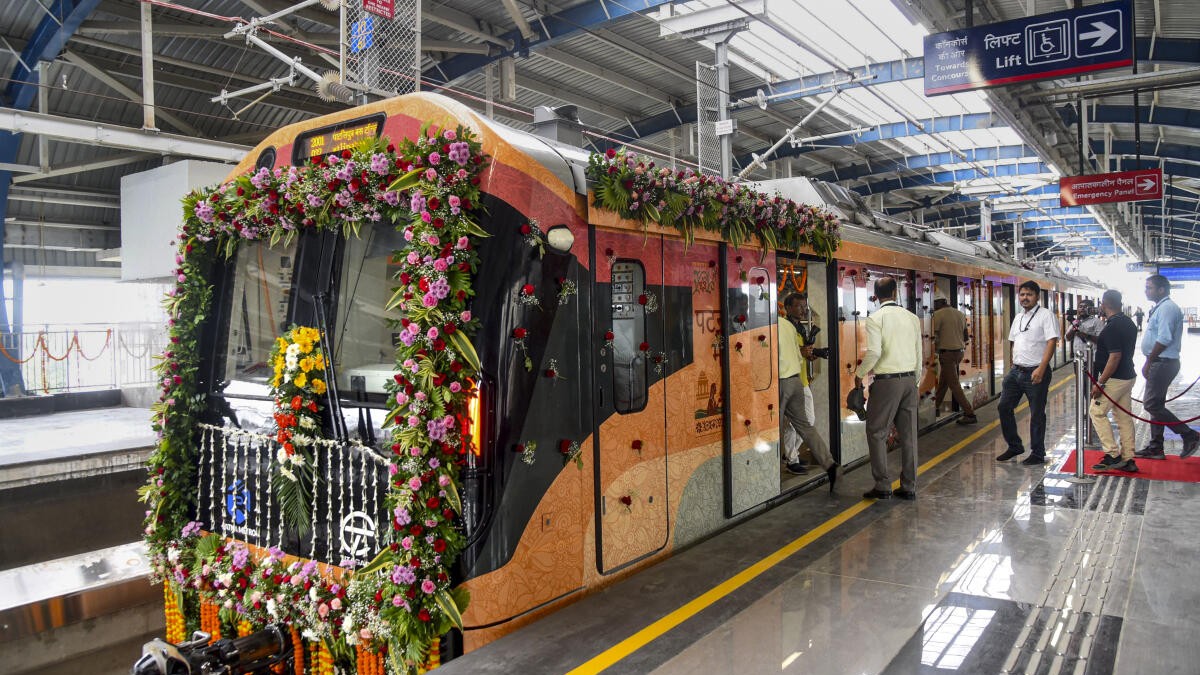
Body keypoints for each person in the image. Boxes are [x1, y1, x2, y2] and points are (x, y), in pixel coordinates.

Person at [855, 277, 923, 500]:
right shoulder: (912, 318)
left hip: (887, 382)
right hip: (909, 380)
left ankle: (883, 485)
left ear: (876, 294)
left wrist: (859, 374)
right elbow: (919, 353)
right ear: (895, 292)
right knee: (909, 435)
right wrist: (916, 380)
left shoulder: (875, 319)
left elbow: (874, 352)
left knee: (877, 432)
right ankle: (909, 486)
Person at [1135, 275, 1200, 459]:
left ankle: (1190, 435)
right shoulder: (1161, 308)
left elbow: (1164, 339)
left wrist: (1149, 360)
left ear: (1161, 289)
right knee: (1157, 404)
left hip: (1163, 362)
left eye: (1149, 287)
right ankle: (1156, 447)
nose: (1146, 291)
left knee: (1151, 404)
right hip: (1160, 362)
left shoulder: (1168, 309)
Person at [778, 292, 838, 490]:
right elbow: (797, 354)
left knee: (775, 428)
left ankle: (776, 464)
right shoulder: (788, 326)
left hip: (783, 382)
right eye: (799, 306)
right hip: (796, 380)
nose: (804, 310)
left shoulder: (774, 327)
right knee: (806, 425)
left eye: (805, 306)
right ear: (785, 308)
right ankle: (829, 464)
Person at [996, 280, 1060, 465]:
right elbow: (1013, 342)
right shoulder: (1018, 317)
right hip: (1016, 372)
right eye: (1022, 294)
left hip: (1036, 371)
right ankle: (1015, 445)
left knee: (1037, 413)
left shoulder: (1046, 315)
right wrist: (1012, 365)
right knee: (1004, 407)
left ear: (1037, 296)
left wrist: (1041, 368)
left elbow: (1051, 341)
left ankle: (1038, 453)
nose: (1025, 298)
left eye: (1029, 294)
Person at [1089, 290, 1139, 472]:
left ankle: (1112, 454)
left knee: (1096, 411)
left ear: (1104, 304)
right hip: (1128, 376)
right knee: (1123, 417)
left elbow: (1115, 357)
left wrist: (1100, 382)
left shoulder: (1112, 327)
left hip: (1116, 379)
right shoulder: (1128, 323)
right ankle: (1128, 459)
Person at [930, 291, 977, 424]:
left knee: (954, 384)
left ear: (939, 302)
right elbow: (966, 336)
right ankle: (936, 407)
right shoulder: (960, 313)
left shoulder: (938, 315)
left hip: (947, 354)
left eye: (935, 304)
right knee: (943, 383)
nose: (934, 307)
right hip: (959, 353)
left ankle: (970, 414)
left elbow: (932, 335)